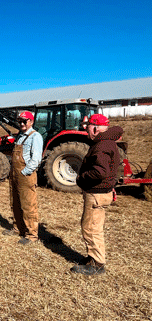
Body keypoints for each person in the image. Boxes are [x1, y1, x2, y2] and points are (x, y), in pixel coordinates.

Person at [71, 114, 123, 275]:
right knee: (95, 226)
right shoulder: (108, 142)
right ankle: (92, 257)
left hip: (96, 193)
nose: (85, 129)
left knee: (90, 228)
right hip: (101, 192)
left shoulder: (101, 146)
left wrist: (81, 178)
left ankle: (97, 264)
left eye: (87, 126)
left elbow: (100, 171)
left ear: (95, 127)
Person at [3, 111, 44, 245]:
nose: (21, 124)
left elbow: (36, 158)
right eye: (19, 121)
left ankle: (32, 235)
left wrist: (24, 172)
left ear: (31, 122)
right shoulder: (20, 136)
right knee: (15, 202)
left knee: (28, 205)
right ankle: (17, 228)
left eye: (24, 121)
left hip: (25, 175)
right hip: (14, 174)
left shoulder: (35, 136)